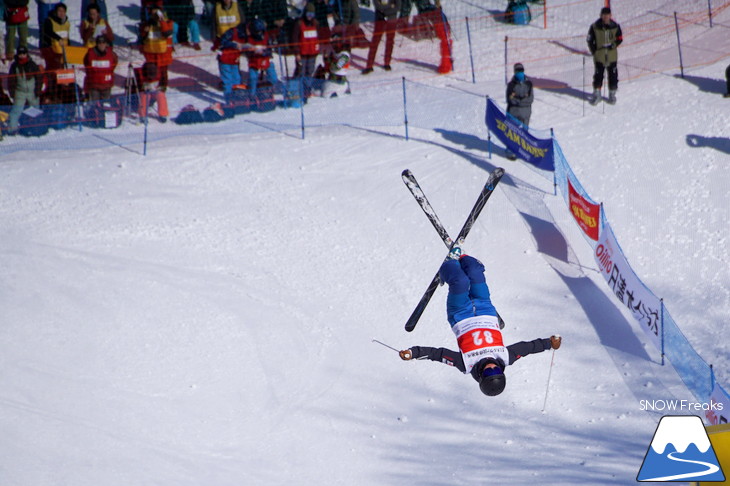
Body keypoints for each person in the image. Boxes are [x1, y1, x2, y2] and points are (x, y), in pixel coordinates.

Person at [399, 251, 562, 397]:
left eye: (488, 371)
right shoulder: (506, 357)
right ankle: (463, 258)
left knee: (460, 282)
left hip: (460, 313)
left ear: (481, 376)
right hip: (485, 308)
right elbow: (528, 348)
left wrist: (414, 353)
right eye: (496, 370)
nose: (492, 366)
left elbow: (438, 354)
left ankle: (448, 266)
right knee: (475, 272)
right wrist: (549, 343)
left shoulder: (466, 363)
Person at [587, 7, 622, 105]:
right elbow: (590, 40)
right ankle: (597, 94)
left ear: (610, 16)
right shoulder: (595, 27)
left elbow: (619, 38)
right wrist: (594, 51)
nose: (606, 17)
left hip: (612, 56)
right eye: (604, 15)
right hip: (600, 56)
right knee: (598, 75)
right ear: (601, 16)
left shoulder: (615, 26)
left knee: (613, 75)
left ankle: (612, 94)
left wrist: (613, 45)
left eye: (607, 15)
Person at [7, 45, 42, 134]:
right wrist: (12, 93)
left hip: (32, 91)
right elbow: (11, 80)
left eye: (24, 53)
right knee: (16, 110)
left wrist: (38, 90)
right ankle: (12, 129)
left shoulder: (32, 64)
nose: (22, 55)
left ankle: (36, 128)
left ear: (27, 54)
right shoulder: (14, 66)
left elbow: (39, 77)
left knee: (35, 110)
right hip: (20, 92)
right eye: (20, 54)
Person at [139, 5, 173, 93]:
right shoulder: (147, 24)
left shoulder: (168, 22)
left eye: (156, 13)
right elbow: (142, 37)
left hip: (163, 54)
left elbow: (166, 33)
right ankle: (149, 89)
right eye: (153, 13)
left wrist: (161, 20)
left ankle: (162, 89)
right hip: (151, 54)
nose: (155, 16)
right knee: (151, 72)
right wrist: (145, 31)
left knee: (163, 73)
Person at [361, 0, 400, 74]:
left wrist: (384, 10)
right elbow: (377, 6)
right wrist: (390, 6)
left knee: (390, 41)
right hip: (380, 19)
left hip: (391, 19)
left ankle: (387, 63)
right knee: (375, 42)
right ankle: (369, 65)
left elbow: (398, 7)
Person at [212, 22, 245, 102]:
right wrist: (234, 45)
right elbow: (223, 42)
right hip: (225, 59)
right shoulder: (231, 32)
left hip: (234, 60)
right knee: (227, 80)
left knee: (237, 78)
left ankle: (237, 98)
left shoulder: (246, 36)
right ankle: (229, 99)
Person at [245, 18, 277, 96]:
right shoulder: (249, 39)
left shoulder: (266, 36)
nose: (259, 33)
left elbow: (270, 49)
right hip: (254, 62)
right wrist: (253, 52)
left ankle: (269, 91)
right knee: (253, 78)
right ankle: (252, 94)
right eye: (257, 32)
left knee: (273, 77)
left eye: (260, 31)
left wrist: (265, 52)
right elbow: (247, 52)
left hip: (265, 60)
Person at [83, 35, 117, 101]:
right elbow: (86, 63)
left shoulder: (111, 54)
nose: (102, 45)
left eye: (103, 42)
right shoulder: (90, 54)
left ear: (106, 44)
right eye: (99, 43)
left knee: (106, 105)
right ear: (96, 44)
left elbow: (114, 63)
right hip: (94, 85)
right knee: (94, 105)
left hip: (107, 85)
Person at [292, 3, 319, 84]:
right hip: (302, 54)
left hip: (312, 53)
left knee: (310, 72)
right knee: (301, 72)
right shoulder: (299, 23)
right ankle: (298, 89)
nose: (310, 16)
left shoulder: (315, 24)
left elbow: (318, 38)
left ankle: (307, 89)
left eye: (312, 14)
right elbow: (294, 39)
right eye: (308, 14)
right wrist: (297, 53)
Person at [40, 2, 70, 70]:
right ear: (56, 11)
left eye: (63, 11)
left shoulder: (67, 23)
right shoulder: (49, 21)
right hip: (52, 50)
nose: (61, 13)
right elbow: (48, 32)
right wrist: (58, 38)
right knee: (53, 68)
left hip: (63, 50)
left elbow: (67, 37)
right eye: (59, 11)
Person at [321, 32, 350, 98]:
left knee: (326, 95)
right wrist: (326, 58)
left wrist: (329, 63)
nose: (333, 46)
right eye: (332, 44)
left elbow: (336, 67)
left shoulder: (344, 55)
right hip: (332, 79)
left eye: (334, 44)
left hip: (339, 81)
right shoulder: (334, 52)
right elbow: (328, 65)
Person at [506, 62, 533, 126]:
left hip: (525, 115)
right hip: (513, 114)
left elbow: (530, 99)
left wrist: (517, 99)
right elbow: (509, 99)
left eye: (521, 70)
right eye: (518, 71)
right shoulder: (511, 85)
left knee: (524, 134)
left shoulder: (528, 84)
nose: (520, 72)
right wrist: (522, 99)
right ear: (514, 72)